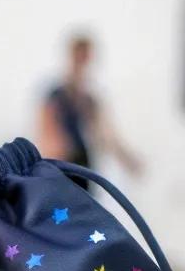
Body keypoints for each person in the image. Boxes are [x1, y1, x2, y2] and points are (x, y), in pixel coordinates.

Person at [37, 34, 142, 177]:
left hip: (80, 170)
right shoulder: (56, 96)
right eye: (78, 57)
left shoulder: (89, 100)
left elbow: (106, 135)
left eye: (85, 58)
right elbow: (47, 137)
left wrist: (127, 159)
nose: (81, 63)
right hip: (60, 170)